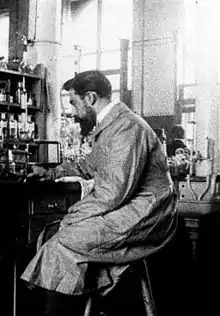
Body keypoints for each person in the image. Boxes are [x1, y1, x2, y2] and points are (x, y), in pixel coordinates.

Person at [21, 70, 178, 315]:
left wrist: (74, 213)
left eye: (74, 103)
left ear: (91, 98)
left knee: (64, 239)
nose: (73, 111)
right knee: (61, 236)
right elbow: (88, 165)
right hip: (131, 208)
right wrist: (51, 173)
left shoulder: (126, 128)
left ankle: (58, 310)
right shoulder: (111, 126)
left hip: (148, 214)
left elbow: (112, 193)